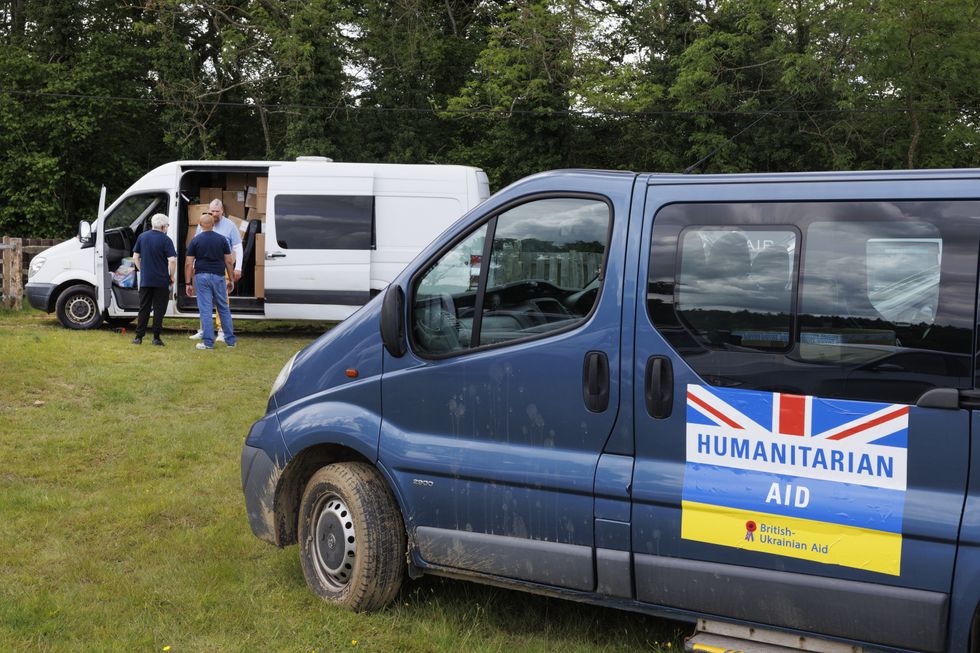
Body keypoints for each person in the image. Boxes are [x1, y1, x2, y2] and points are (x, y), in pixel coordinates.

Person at [189, 198, 243, 342]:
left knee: (222, 302)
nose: (214, 214)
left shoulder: (230, 225)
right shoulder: (203, 223)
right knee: (204, 303)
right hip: (203, 269)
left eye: (217, 211)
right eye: (212, 211)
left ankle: (221, 331)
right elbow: (196, 246)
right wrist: (194, 266)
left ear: (222, 211)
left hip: (223, 269)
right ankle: (204, 330)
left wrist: (237, 268)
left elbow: (237, 247)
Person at [131, 213, 177, 346]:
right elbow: (172, 260)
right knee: (159, 309)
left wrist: (142, 270)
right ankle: (156, 338)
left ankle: (138, 337)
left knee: (144, 307)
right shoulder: (166, 240)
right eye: (167, 226)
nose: (167, 228)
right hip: (161, 280)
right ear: (163, 226)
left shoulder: (142, 237)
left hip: (146, 279)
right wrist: (171, 276)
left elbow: (135, 257)